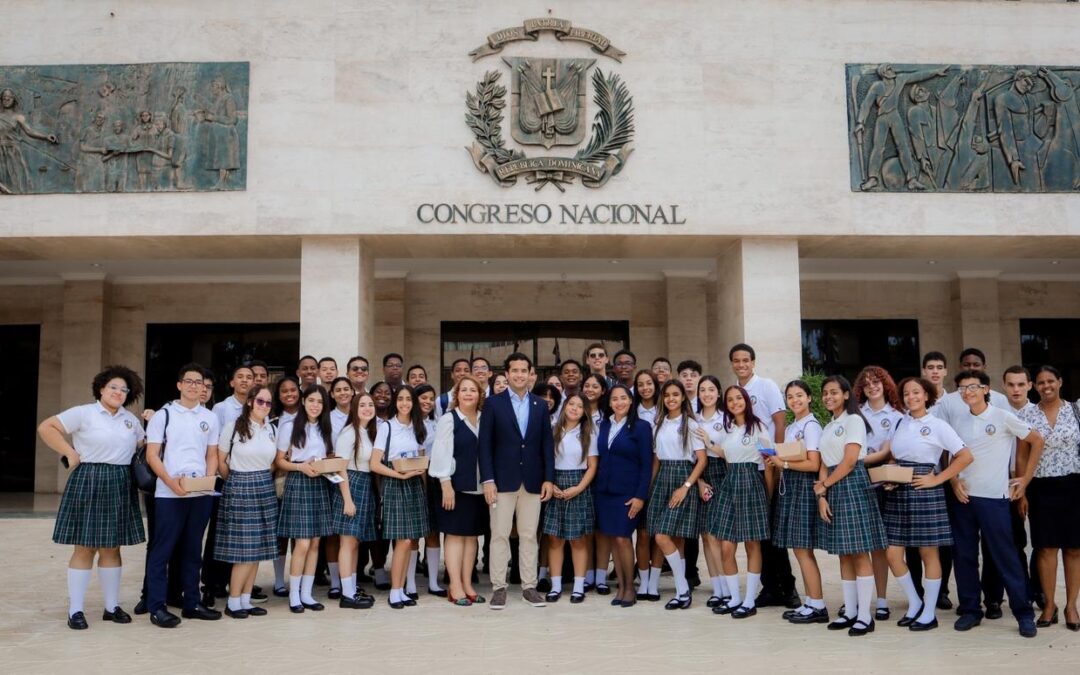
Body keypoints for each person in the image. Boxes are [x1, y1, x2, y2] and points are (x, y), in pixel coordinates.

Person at [38, 365, 146, 630]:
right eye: (113, 387)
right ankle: (75, 610)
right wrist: (69, 452)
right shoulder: (83, 413)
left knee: (112, 548)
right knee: (84, 547)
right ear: (101, 388)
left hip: (121, 482)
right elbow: (47, 427)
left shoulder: (130, 420)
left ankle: (111, 607)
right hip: (90, 479)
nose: (118, 392)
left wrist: (152, 419)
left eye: (123, 389)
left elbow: (143, 445)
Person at [948, 369, 1043, 638]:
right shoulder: (957, 420)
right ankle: (970, 609)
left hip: (994, 499)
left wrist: (1025, 479)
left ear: (986, 389)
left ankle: (1023, 614)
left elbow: (1036, 440)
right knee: (964, 556)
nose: (969, 392)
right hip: (964, 498)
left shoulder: (1002, 416)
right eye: (964, 388)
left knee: (1005, 556)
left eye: (974, 387)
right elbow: (950, 454)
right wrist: (954, 481)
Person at [880, 377, 973, 632]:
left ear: (926, 395)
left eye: (916, 392)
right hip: (898, 490)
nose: (911, 397)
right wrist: (890, 478)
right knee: (892, 552)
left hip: (925, 489)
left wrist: (938, 479)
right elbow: (894, 457)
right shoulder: (900, 422)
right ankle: (914, 603)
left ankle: (928, 613)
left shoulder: (937, 425)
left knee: (928, 553)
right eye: (907, 393)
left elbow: (965, 456)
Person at [144, 363, 222, 628]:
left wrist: (206, 482)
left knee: (193, 550)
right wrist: (169, 481)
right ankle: (157, 606)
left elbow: (211, 454)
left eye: (198, 382)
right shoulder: (163, 415)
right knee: (162, 551)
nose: (193, 386)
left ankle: (192, 602)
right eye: (188, 381)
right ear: (179, 385)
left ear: (204, 388)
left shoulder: (210, 417)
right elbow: (152, 455)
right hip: (169, 493)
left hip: (200, 493)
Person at [478, 352, 555, 610]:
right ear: (507, 374)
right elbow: (484, 446)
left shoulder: (540, 405)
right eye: (515, 370)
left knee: (529, 535)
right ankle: (499, 587)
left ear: (531, 374)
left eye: (525, 370)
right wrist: (488, 479)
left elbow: (546, 444)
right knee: (499, 534)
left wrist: (548, 479)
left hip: (532, 481)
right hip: (501, 481)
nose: (520, 375)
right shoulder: (493, 404)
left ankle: (529, 587)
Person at [813, 375, 886, 637]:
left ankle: (866, 616)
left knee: (858, 552)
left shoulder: (854, 420)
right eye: (825, 393)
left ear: (846, 395)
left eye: (834, 392)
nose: (829, 397)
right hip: (833, 485)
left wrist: (825, 485)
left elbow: (851, 460)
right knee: (844, 552)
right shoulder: (829, 425)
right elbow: (823, 462)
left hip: (851, 483)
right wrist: (821, 495)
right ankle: (851, 611)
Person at [730, 343, 795, 609]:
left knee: (772, 532)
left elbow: (779, 421)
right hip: (746, 470)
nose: (742, 364)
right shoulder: (734, 391)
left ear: (753, 362)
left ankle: (788, 588)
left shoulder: (766, 386)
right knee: (758, 535)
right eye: (737, 360)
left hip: (767, 466)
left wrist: (777, 461)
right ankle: (769, 588)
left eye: (746, 360)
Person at [1020, 366, 1080, 631]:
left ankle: (1071, 606)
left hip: (1074, 485)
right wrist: (1021, 489)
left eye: (1051, 381)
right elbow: (1021, 456)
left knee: (1074, 548)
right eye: (1041, 382)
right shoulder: (1027, 414)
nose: (1046, 386)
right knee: (1045, 548)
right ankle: (1048, 605)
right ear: (1034, 386)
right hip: (1040, 486)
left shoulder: (1076, 411)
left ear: (1060, 382)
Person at [708, 385, 774, 619]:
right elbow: (728, 455)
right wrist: (708, 442)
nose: (735, 402)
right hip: (730, 481)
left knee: (752, 544)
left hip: (751, 482)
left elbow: (768, 462)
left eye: (739, 398)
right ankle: (734, 597)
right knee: (726, 544)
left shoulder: (758, 427)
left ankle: (748, 601)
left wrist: (768, 495)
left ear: (746, 400)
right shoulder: (728, 428)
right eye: (730, 399)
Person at [214, 385, 279, 619]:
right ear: (250, 401)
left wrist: (261, 477)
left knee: (258, 550)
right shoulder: (233, 427)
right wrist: (236, 481)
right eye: (260, 401)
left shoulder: (271, 429)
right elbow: (220, 460)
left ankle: (245, 599)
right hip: (240, 486)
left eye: (268, 403)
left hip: (264, 487)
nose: (264, 406)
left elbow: (273, 462)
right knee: (244, 552)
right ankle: (233, 602)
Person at [766, 380, 828, 624]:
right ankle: (811, 602)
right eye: (790, 397)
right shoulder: (793, 426)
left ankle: (818, 605)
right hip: (790, 487)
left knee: (803, 549)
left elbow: (814, 463)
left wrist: (784, 464)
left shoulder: (811, 426)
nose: (795, 401)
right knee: (798, 549)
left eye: (799, 395)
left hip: (803, 487)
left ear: (810, 398)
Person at [646, 380, 707, 610]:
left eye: (675, 394)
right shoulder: (658, 423)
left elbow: (702, 460)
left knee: (663, 536)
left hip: (683, 477)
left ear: (683, 397)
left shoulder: (690, 424)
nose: (671, 398)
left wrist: (687, 486)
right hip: (663, 478)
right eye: (667, 395)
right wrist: (649, 487)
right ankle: (683, 594)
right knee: (675, 539)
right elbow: (656, 460)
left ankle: (682, 589)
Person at [275, 385, 335, 614]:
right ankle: (294, 595)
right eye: (311, 400)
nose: (315, 405)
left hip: (320, 483)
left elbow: (329, 457)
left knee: (316, 543)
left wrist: (324, 466)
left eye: (320, 402)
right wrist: (301, 467)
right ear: (303, 401)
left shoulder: (325, 428)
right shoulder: (289, 426)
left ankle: (307, 594)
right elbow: (280, 461)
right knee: (302, 543)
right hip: (299, 483)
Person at [370, 385, 430, 609]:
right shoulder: (386, 427)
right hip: (396, 484)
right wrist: (398, 475)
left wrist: (419, 475)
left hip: (414, 484)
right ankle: (395, 591)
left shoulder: (418, 426)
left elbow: (421, 457)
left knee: (411, 541)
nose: (405, 403)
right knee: (402, 541)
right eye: (401, 399)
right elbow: (375, 463)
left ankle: (402, 588)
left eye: (409, 399)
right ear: (395, 402)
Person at [430, 375, 488, 606]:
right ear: (457, 395)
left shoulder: (485, 419)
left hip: (479, 488)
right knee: (455, 535)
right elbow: (441, 452)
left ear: (479, 394)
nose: (468, 394)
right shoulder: (449, 419)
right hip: (455, 486)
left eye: (472, 390)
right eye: (463, 390)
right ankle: (454, 586)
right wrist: (446, 484)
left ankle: (467, 583)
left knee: (472, 536)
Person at [203, 363, 257, 605]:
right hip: (227, 479)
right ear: (232, 382)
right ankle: (212, 583)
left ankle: (237, 582)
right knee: (219, 533)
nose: (245, 381)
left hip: (248, 479)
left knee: (242, 536)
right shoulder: (221, 408)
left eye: (250, 377)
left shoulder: (258, 408)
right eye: (240, 377)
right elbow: (215, 448)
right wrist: (223, 477)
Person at [596, 384, 653, 607]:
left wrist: (640, 496)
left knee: (623, 538)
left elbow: (647, 465)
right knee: (613, 539)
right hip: (605, 492)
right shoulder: (604, 425)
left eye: (623, 398)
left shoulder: (641, 427)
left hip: (628, 493)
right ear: (609, 403)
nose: (619, 402)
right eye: (614, 399)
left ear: (630, 401)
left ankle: (630, 587)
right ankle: (620, 585)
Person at [854, 365, 903, 621]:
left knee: (880, 547)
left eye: (876, 382)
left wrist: (858, 459)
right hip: (858, 477)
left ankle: (882, 600)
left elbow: (890, 451)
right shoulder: (856, 414)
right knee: (861, 544)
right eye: (867, 384)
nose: (872, 387)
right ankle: (860, 601)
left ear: (885, 385)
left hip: (884, 478)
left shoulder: (896, 415)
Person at [542, 394, 599, 604]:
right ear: (565, 406)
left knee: (578, 540)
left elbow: (592, 466)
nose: (575, 408)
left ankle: (578, 586)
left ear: (585, 411)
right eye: (571, 404)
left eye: (580, 406)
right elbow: (544, 459)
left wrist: (578, 488)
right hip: (555, 481)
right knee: (555, 539)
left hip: (579, 483)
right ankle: (556, 586)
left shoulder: (589, 433)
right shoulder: (552, 429)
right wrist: (550, 482)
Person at [331, 392, 383, 610]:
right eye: (362, 405)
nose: (367, 408)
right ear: (354, 408)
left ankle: (351, 588)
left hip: (365, 484)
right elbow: (340, 466)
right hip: (350, 485)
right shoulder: (349, 432)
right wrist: (347, 500)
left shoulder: (369, 431)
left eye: (370, 405)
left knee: (355, 543)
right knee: (348, 542)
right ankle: (347, 594)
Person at [693, 376, 729, 609]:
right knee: (706, 534)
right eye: (702, 390)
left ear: (719, 393)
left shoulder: (726, 419)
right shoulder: (693, 419)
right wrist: (699, 482)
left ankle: (728, 587)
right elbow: (692, 457)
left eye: (711, 389)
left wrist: (709, 442)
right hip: (701, 476)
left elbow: (732, 453)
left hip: (723, 473)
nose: (706, 393)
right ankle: (717, 588)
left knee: (720, 535)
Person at [268, 375, 301, 596]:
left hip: (303, 481)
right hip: (279, 481)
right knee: (280, 533)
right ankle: (279, 580)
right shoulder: (272, 422)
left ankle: (298, 580)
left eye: (293, 390)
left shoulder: (309, 418)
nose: (289, 394)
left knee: (299, 533)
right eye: (284, 391)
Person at [324, 376, 355, 599]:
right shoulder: (328, 418)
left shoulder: (360, 413)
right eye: (338, 390)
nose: (343, 393)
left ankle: (349, 582)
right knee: (334, 535)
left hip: (353, 476)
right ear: (332, 394)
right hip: (329, 478)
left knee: (350, 534)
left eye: (347, 389)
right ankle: (336, 582)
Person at [414, 383, 446, 598]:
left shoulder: (437, 423)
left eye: (430, 398)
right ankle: (409, 583)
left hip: (434, 479)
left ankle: (433, 582)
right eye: (422, 397)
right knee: (413, 534)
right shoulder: (409, 424)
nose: (426, 402)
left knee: (433, 533)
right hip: (414, 479)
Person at [632, 369, 661, 593]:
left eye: (649, 383)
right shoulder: (633, 411)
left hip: (664, 473)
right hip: (641, 472)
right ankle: (643, 580)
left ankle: (655, 581)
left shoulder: (665, 408)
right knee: (642, 534)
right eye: (640, 384)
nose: (645, 388)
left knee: (660, 534)